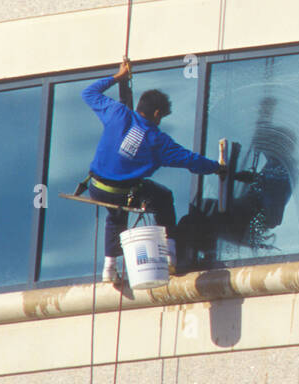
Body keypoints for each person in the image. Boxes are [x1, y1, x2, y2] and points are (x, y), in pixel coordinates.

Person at [82, 58, 223, 282]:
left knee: (116, 215)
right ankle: (170, 257)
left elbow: (89, 93)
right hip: (124, 193)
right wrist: (217, 168)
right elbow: (190, 161)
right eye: (162, 117)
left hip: (96, 187)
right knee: (163, 198)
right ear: (157, 113)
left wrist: (118, 77)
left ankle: (109, 268)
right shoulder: (157, 140)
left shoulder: (117, 113)